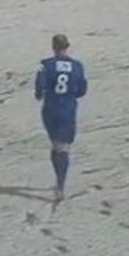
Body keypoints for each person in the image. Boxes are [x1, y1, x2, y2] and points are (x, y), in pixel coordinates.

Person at [34, 34, 88, 203]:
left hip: (50, 110)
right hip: (67, 110)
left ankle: (58, 180)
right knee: (63, 148)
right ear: (67, 46)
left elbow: (38, 91)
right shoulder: (78, 66)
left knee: (55, 146)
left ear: (53, 47)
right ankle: (60, 185)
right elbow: (81, 91)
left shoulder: (46, 65)